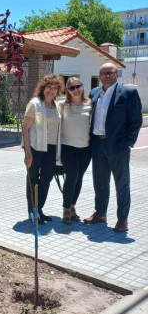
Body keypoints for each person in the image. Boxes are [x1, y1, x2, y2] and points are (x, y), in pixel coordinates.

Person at [84, 62, 142, 232]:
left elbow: (136, 121)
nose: (107, 75)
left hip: (118, 146)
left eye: (111, 72)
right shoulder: (94, 93)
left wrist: (127, 143)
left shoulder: (128, 93)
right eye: (103, 73)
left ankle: (122, 219)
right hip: (97, 144)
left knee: (121, 184)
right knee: (100, 182)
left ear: (117, 75)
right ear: (100, 75)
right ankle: (100, 213)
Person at [22, 74, 62, 224]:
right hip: (36, 147)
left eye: (54, 88)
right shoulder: (35, 104)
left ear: (58, 91)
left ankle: (39, 209)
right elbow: (25, 129)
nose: (51, 91)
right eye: (49, 88)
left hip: (51, 149)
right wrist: (27, 152)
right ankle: (32, 212)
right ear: (43, 88)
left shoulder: (57, 106)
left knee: (46, 179)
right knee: (32, 179)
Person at [59, 77, 92, 224]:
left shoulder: (90, 104)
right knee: (71, 177)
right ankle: (66, 209)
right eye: (71, 88)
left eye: (77, 86)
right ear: (67, 91)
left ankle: (73, 207)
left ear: (82, 86)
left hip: (86, 148)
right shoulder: (62, 104)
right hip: (68, 147)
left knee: (79, 178)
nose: (75, 90)